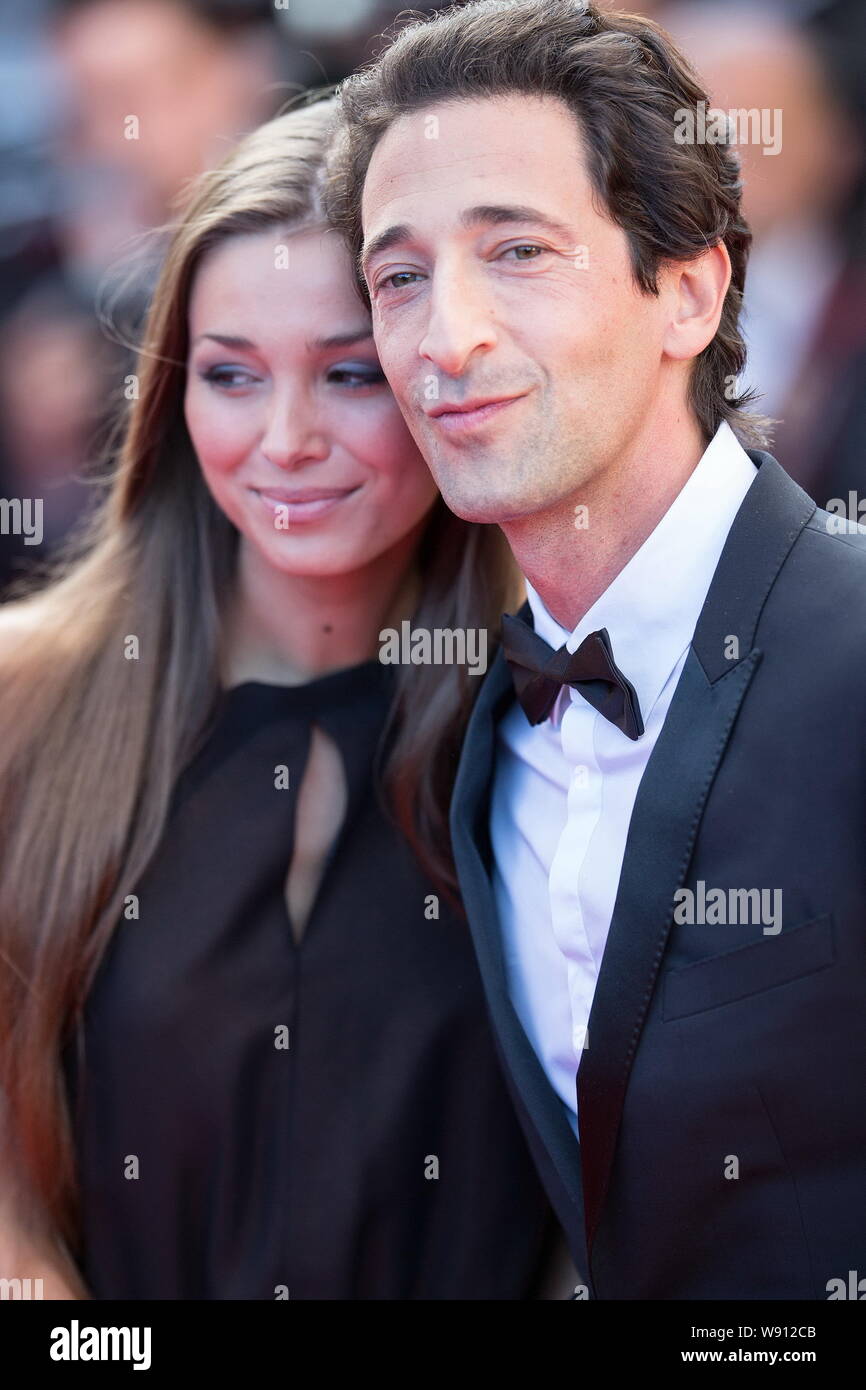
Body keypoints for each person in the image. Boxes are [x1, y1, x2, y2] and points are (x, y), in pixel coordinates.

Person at [327, 0, 866, 1298]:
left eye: (515, 251)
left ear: (686, 290)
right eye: (398, 277)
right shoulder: (471, 731)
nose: (442, 340)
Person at [0, 95, 557, 1300]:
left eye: (349, 375)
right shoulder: (24, 703)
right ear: (171, 394)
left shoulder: (559, 713)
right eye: (230, 375)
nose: (286, 439)